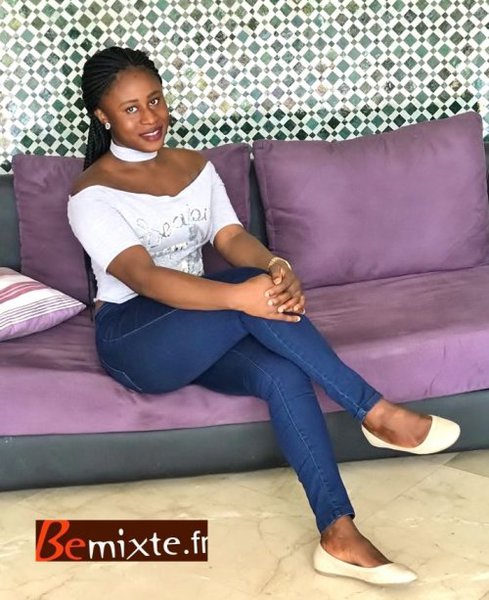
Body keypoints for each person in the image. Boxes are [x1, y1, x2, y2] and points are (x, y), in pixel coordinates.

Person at [67, 46, 460, 586]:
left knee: (283, 372)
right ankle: (374, 411)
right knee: (239, 289)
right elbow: (146, 278)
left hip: (201, 324)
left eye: (155, 100)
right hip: (135, 339)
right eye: (130, 108)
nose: (151, 116)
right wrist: (243, 296)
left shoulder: (194, 167)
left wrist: (276, 267)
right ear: (103, 116)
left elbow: (230, 237)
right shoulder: (90, 194)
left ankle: (338, 533)